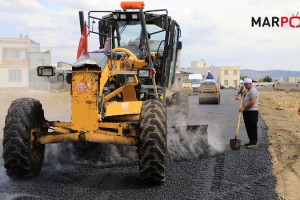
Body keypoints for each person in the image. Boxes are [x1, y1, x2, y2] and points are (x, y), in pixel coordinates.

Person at [238, 78, 259, 148]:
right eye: (244, 84)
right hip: (247, 111)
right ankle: (251, 141)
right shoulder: (247, 90)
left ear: (250, 83)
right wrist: (242, 93)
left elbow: (252, 102)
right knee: (248, 127)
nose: (245, 85)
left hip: (252, 112)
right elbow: (245, 98)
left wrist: (244, 108)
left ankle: (254, 143)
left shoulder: (253, 91)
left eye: (246, 84)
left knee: (252, 127)